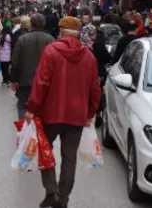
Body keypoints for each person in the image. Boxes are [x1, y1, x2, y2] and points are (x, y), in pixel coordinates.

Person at [25, 17, 101, 208]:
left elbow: (41, 83)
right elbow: (95, 89)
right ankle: (63, 197)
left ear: (61, 31)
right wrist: (90, 113)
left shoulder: (51, 51)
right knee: (69, 157)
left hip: (51, 113)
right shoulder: (89, 57)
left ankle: (51, 191)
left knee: (45, 150)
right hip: (76, 116)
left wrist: (32, 108)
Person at [10, 14, 55, 119]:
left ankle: (24, 130)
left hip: (24, 80)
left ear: (31, 23)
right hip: (44, 81)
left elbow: (15, 60)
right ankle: (38, 131)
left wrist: (14, 79)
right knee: (42, 108)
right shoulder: (51, 40)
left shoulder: (22, 39)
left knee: (22, 106)